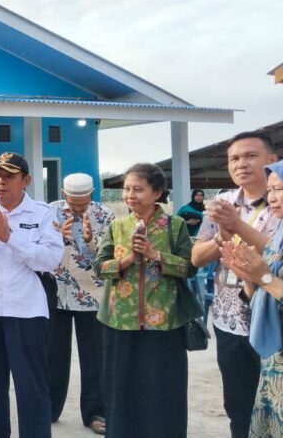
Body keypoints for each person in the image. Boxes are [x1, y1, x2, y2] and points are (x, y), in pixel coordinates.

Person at [0, 152, 63, 438]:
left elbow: (50, 260)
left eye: (9, 176)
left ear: (26, 180)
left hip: (27, 311)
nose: (0, 182)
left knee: (31, 386)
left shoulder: (42, 214)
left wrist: (10, 239)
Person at [94, 163, 197, 438]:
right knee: (121, 389)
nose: (130, 195)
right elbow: (99, 266)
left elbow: (190, 267)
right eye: (127, 189)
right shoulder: (117, 226)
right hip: (119, 321)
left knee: (163, 389)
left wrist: (155, 255)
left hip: (165, 323)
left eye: (138, 189)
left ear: (158, 192)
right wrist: (127, 259)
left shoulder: (175, 226)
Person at [191, 131, 280, 438]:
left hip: (272, 320)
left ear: (272, 160)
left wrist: (238, 225)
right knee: (238, 404)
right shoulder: (222, 203)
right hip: (230, 320)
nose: (241, 164)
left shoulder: (279, 201)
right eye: (234, 158)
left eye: (251, 156)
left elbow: (276, 252)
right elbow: (196, 258)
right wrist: (221, 237)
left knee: (276, 404)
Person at [218, 160, 283, 437]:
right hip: (274, 360)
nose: (273, 197)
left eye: (280, 189)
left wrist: (264, 278)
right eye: (271, 190)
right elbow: (260, 295)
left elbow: (270, 283)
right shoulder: (278, 236)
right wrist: (248, 277)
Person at [47, 173, 115, 435]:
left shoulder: (105, 215)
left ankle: (96, 413)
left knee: (95, 358)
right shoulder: (49, 212)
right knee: (53, 355)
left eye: (82, 203)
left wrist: (90, 240)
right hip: (56, 294)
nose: (77, 208)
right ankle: (49, 409)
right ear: (64, 194)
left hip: (92, 296)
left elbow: (111, 255)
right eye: (73, 203)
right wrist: (57, 238)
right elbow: (39, 248)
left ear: (92, 194)